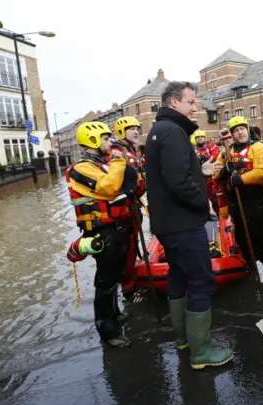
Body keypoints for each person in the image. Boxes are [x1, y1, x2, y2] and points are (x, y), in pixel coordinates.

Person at [144, 81, 233, 370]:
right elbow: (178, 182)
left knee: (178, 278)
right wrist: (202, 203)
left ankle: (183, 339)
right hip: (183, 222)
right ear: (173, 102)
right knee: (201, 281)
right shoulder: (172, 132)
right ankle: (201, 352)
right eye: (190, 101)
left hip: (168, 223)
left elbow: (177, 171)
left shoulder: (161, 131)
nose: (196, 107)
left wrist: (200, 168)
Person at [65, 121, 136, 348]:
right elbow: (109, 188)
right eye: (106, 139)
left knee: (115, 275)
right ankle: (107, 331)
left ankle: (115, 313)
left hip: (117, 226)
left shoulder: (100, 165)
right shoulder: (80, 169)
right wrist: (117, 159)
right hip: (101, 231)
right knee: (105, 282)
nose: (109, 143)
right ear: (94, 140)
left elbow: (122, 184)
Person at [214, 116, 263, 281]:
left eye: (242, 128)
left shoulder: (258, 148)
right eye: (235, 130)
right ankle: (250, 267)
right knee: (242, 239)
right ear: (232, 135)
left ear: (247, 129)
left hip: (255, 201)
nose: (239, 132)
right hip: (236, 203)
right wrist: (223, 173)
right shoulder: (226, 152)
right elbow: (215, 174)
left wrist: (241, 179)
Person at [110, 116, 146, 299]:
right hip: (123, 208)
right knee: (127, 247)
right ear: (122, 132)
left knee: (134, 243)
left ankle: (131, 281)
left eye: (137, 128)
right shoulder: (117, 151)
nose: (136, 131)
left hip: (134, 205)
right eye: (131, 128)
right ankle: (128, 289)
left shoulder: (132, 151)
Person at [192, 129, 221, 213]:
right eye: (198, 137)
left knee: (214, 198)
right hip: (199, 177)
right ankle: (205, 214)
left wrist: (208, 159)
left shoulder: (211, 146)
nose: (200, 138)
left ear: (205, 138)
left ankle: (219, 214)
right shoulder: (193, 149)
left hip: (211, 177)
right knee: (201, 198)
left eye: (202, 137)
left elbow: (216, 154)